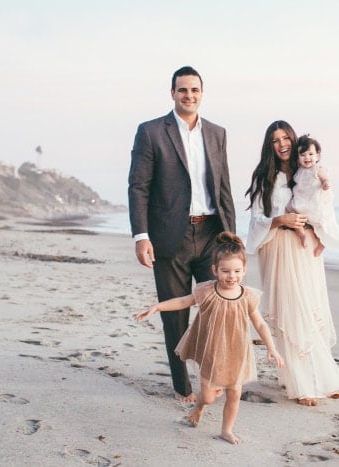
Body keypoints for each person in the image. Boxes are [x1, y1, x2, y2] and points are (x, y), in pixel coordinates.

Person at [128, 66, 236, 404]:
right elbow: (138, 187)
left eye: (194, 90)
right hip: (169, 235)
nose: (189, 95)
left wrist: (232, 237)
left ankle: (211, 378)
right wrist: (141, 236)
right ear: (172, 93)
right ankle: (181, 386)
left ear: (202, 93)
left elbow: (223, 187)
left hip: (211, 234)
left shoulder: (217, 133)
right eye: (182, 90)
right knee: (176, 316)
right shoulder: (151, 132)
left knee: (216, 310)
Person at [134, 232, 284, 445]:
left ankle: (226, 430)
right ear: (214, 270)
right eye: (225, 271)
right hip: (210, 352)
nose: (231, 276)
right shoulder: (207, 291)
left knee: (234, 394)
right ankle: (200, 407)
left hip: (237, 352)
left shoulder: (248, 296)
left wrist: (272, 348)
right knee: (209, 397)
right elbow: (183, 301)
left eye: (236, 271)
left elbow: (259, 324)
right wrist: (157, 307)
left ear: (244, 270)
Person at [245, 120, 339, 407]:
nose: (282, 144)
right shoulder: (264, 176)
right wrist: (280, 220)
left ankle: (325, 379)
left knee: (311, 309)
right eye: (275, 140)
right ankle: (302, 384)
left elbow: (323, 206)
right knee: (291, 312)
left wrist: (318, 232)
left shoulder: (307, 171)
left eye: (285, 138)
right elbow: (255, 219)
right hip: (278, 246)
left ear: (294, 139)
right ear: (270, 145)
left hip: (305, 249)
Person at [287, 134, 339, 257]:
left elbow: (325, 179)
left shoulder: (318, 169)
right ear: (298, 157)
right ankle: (302, 234)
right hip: (301, 200)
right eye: (302, 155)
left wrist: (325, 184)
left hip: (314, 202)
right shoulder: (299, 171)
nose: (307, 157)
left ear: (318, 155)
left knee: (320, 223)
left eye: (310, 154)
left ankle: (321, 243)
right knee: (292, 213)